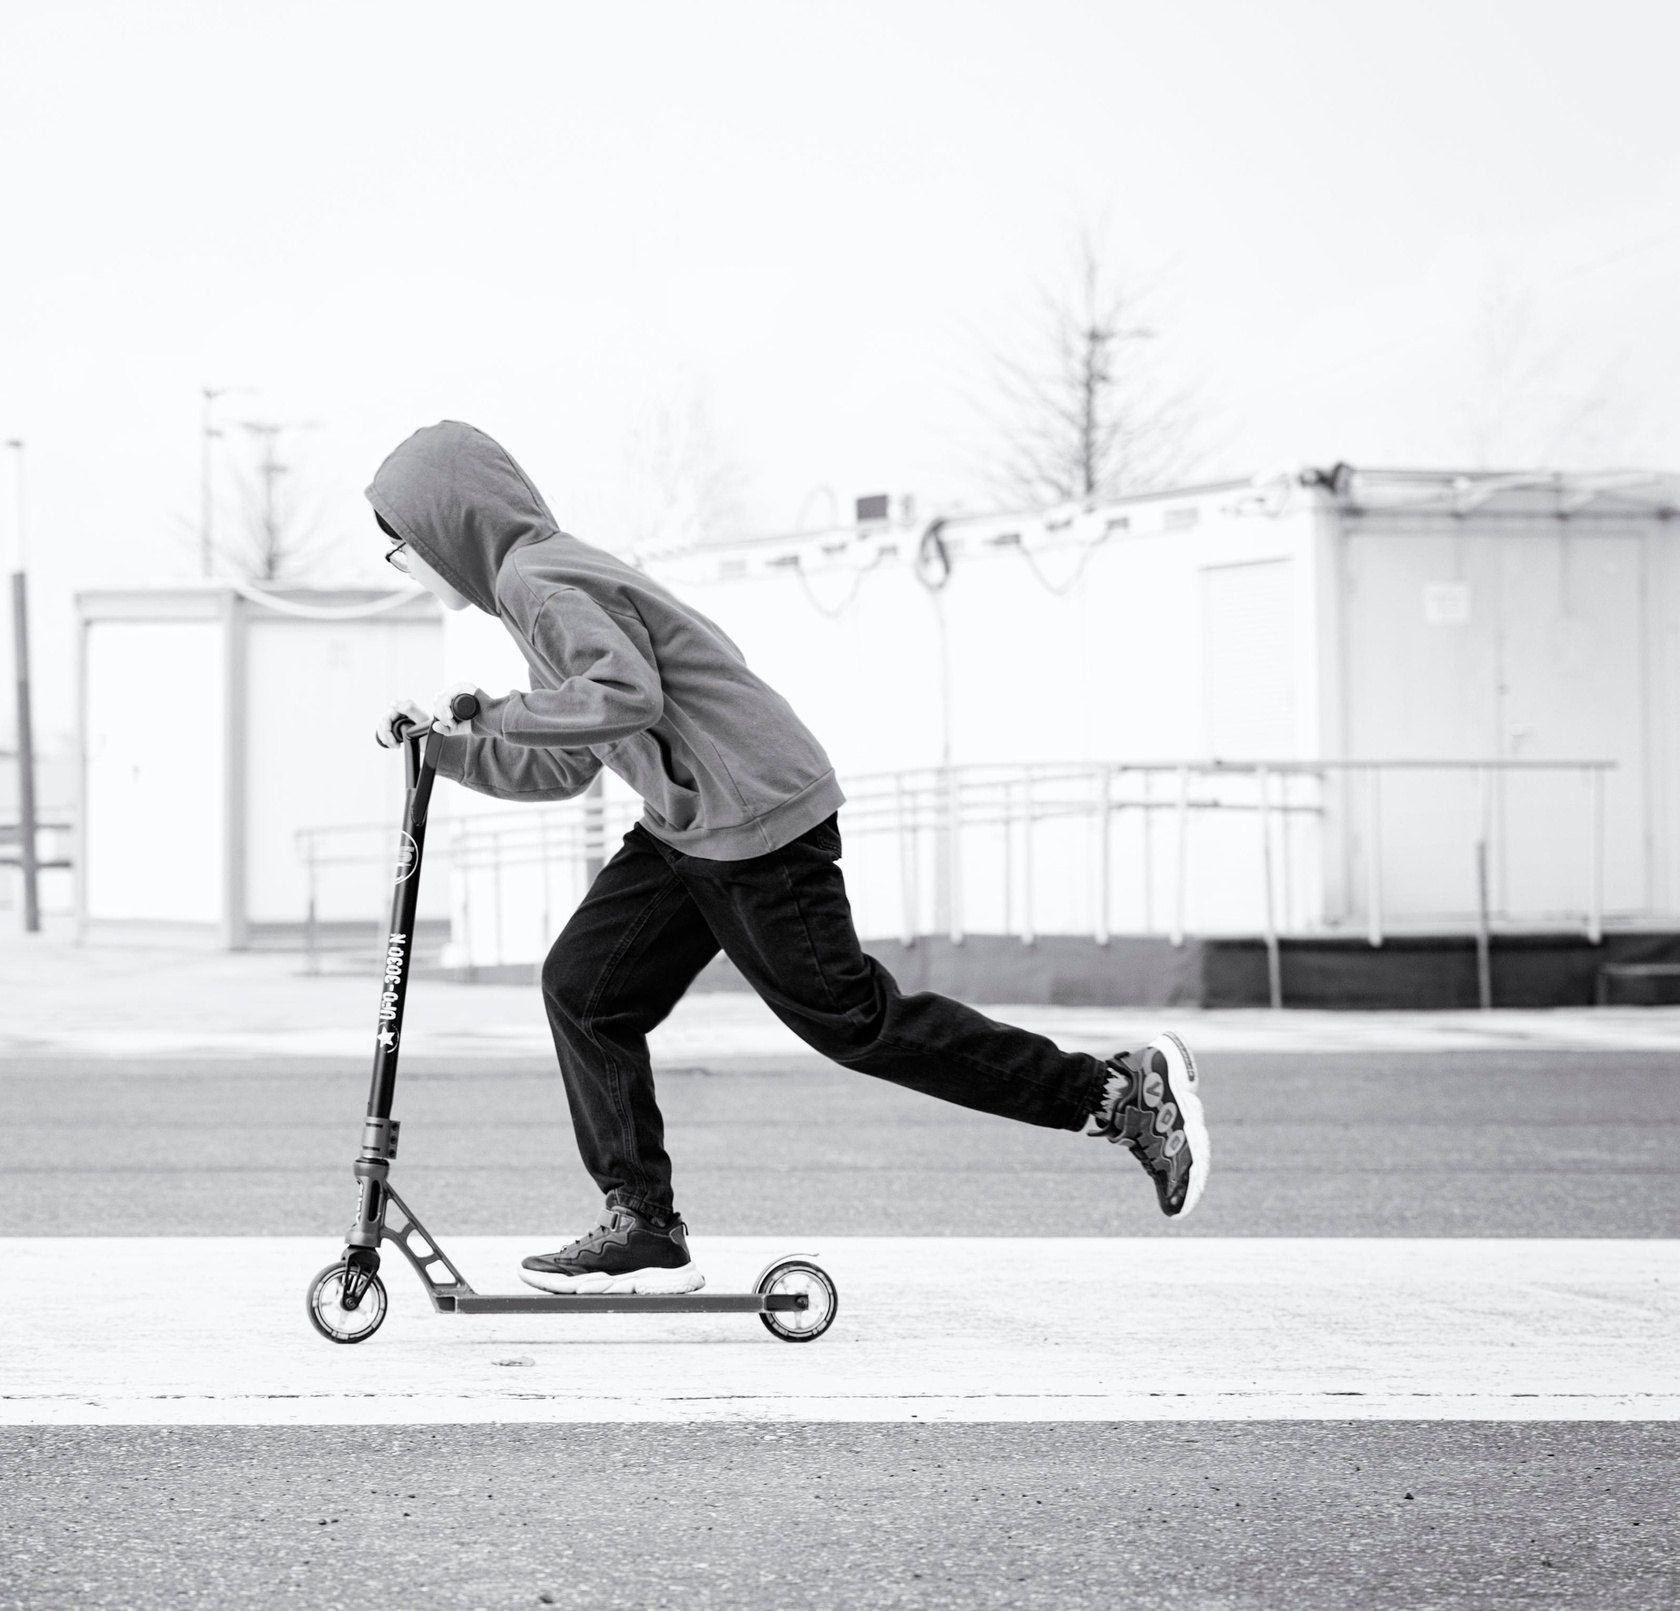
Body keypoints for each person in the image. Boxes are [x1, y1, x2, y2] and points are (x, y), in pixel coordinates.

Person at [368, 421, 1208, 1296]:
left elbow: (620, 697)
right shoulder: (533, 585)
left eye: (399, 549)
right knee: (585, 988)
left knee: (852, 1019)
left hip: (755, 814)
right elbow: (574, 756)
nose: (403, 569)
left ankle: (1117, 1096)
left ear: (440, 526)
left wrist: (491, 711)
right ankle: (642, 1224)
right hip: (693, 822)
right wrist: (447, 750)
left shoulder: (536, 577)